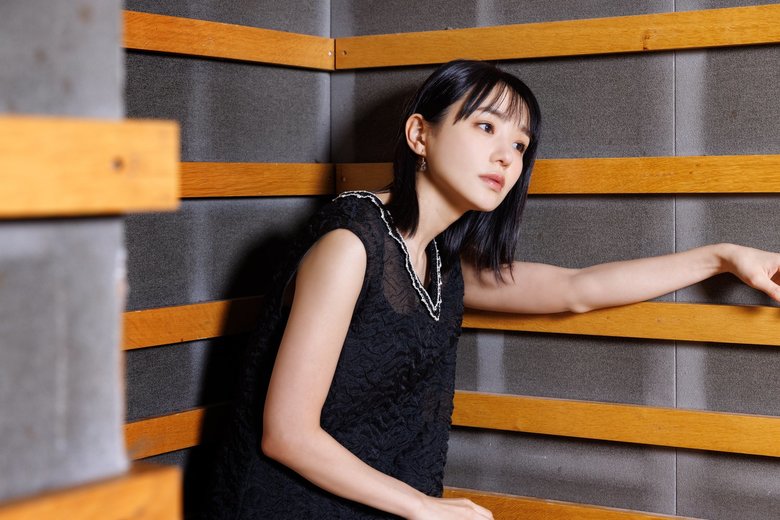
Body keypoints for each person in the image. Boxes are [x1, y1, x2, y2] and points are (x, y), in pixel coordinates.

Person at [205, 59, 780, 519]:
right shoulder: (349, 245)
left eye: (521, 145)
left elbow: (575, 289)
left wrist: (721, 257)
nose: (506, 156)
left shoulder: (435, 259)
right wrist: (424, 508)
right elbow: (287, 434)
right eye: (486, 127)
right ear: (419, 134)